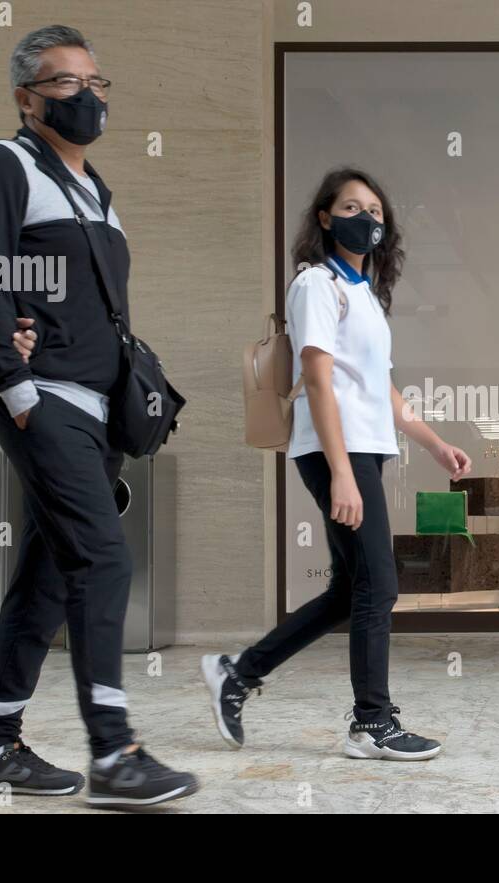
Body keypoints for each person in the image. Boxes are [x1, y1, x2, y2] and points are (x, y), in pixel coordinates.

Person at [0, 24, 196, 808]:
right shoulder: (3, 164)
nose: (87, 95)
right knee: (104, 558)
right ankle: (115, 753)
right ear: (27, 98)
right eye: (65, 83)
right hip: (46, 398)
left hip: (100, 409)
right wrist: (15, 388)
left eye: (96, 82)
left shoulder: (95, 188)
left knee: (51, 571)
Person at [200, 168, 471, 760]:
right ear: (325, 218)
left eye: (375, 210)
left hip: (364, 450)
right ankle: (372, 722)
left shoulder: (366, 295)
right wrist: (343, 471)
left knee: (351, 589)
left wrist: (432, 442)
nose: (366, 218)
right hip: (332, 452)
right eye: (352, 207)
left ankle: (238, 674)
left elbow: (382, 389)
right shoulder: (316, 286)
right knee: (381, 584)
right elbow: (318, 383)